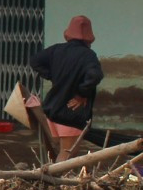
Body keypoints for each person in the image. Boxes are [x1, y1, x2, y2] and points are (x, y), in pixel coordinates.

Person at [27, 15, 103, 163]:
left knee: (62, 153)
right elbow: (94, 76)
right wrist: (81, 94)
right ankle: (57, 178)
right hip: (70, 114)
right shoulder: (88, 56)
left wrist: (52, 76)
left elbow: (35, 61)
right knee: (67, 155)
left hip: (52, 110)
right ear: (89, 36)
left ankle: (55, 175)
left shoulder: (56, 50)